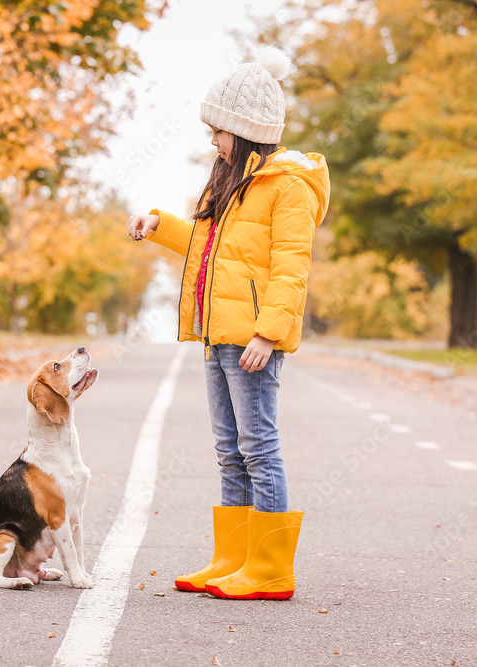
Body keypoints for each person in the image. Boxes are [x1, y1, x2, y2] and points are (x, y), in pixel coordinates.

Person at [127, 47, 330, 600]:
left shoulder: (288, 185)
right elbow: (209, 249)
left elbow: (292, 266)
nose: (212, 140)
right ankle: (233, 559)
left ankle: (269, 568)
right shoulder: (233, 185)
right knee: (229, 448)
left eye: (218, 130)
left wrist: (268, 331)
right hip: (219, 333)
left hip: (252, 339)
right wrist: (160, 224)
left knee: (258, 445)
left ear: (243, 130)